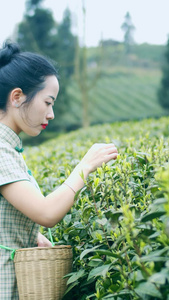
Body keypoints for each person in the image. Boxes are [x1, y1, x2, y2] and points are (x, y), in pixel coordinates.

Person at [0, 41, 118, 299]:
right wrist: (84, 167)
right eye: (47, 102)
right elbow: (46, 212)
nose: (51, 114)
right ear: (17, 97)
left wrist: (32, 234)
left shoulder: (9, 147)